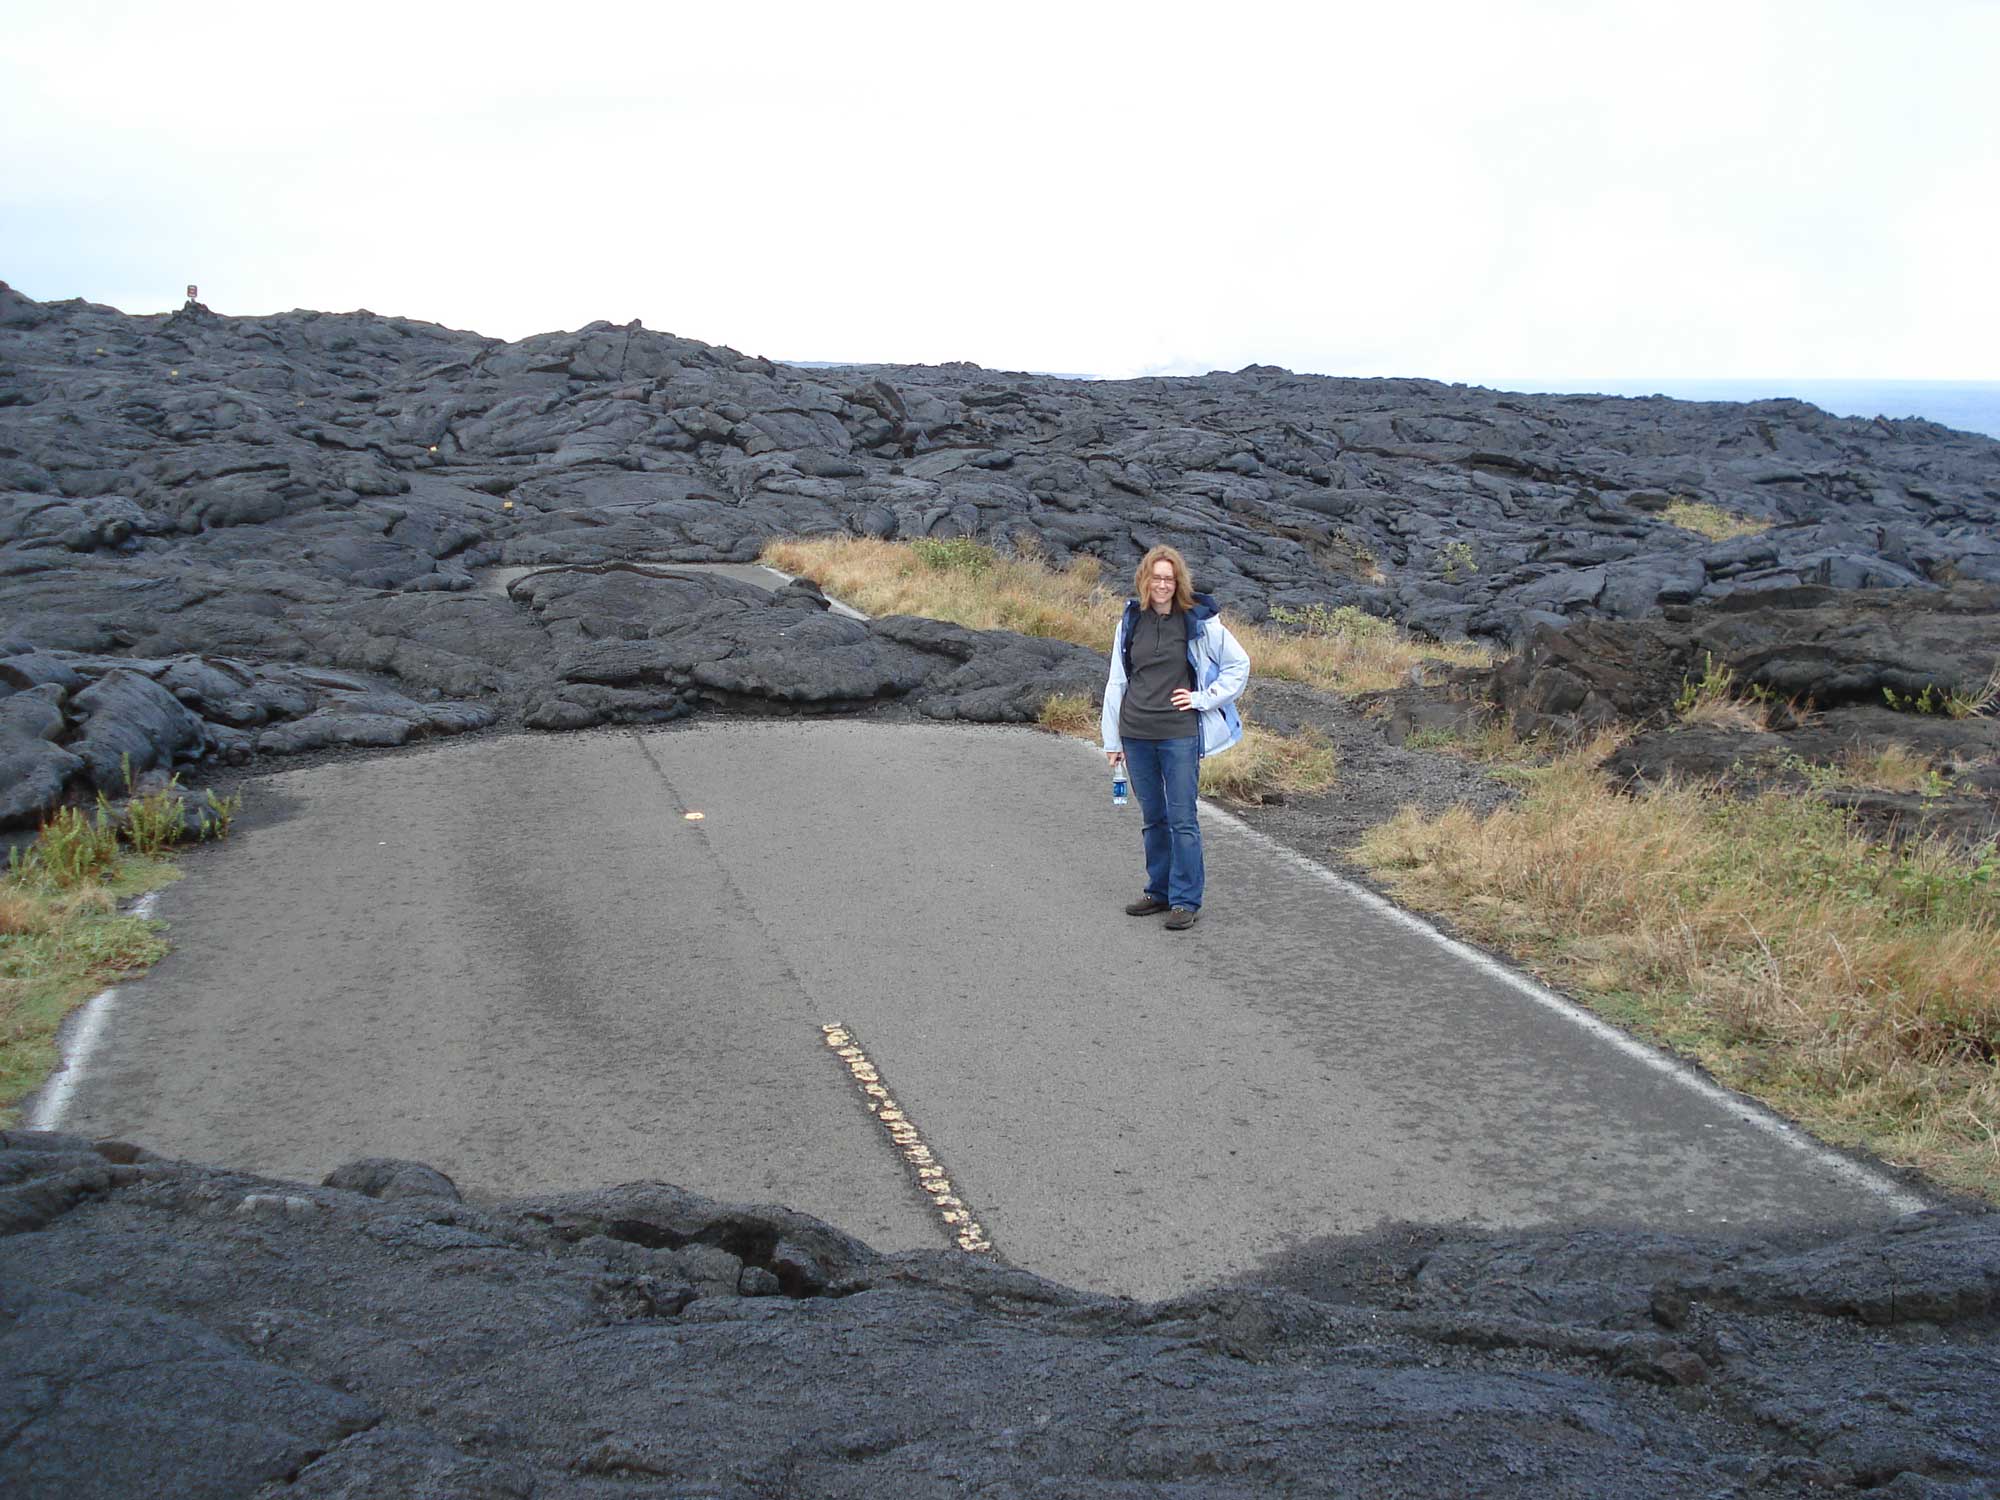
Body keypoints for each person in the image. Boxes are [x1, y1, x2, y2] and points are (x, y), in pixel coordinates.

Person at [1100, 545, 1250, 931]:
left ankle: (1185, 900)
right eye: (1156, 577)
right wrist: (1111, 740)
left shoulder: (1198, 622)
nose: (1162, 584)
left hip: (1178, 734)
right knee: (1154, 818)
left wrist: (1202, 699)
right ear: (1144, 580)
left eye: (1169, 578)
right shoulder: (1131, 621)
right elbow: (1118, 680)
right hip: (1136, 732)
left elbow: (1238, 665)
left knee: (1182, 818)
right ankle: (1159, 891)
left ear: (1178, 582)